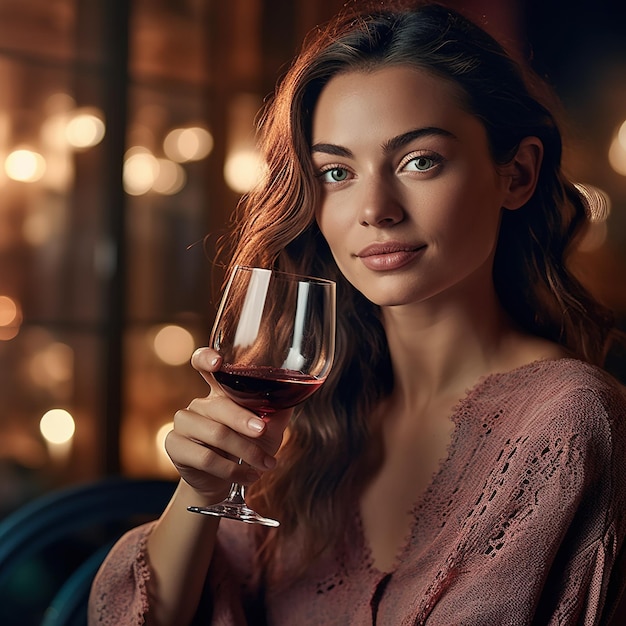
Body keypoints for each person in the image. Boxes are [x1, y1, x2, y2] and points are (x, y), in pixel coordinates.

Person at [89, 1, 626, 624]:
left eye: (420, 161)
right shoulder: (317, 415)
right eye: (337, 172)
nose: (375, 208)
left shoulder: (567, 420)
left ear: (518, 174)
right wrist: (203, 489)